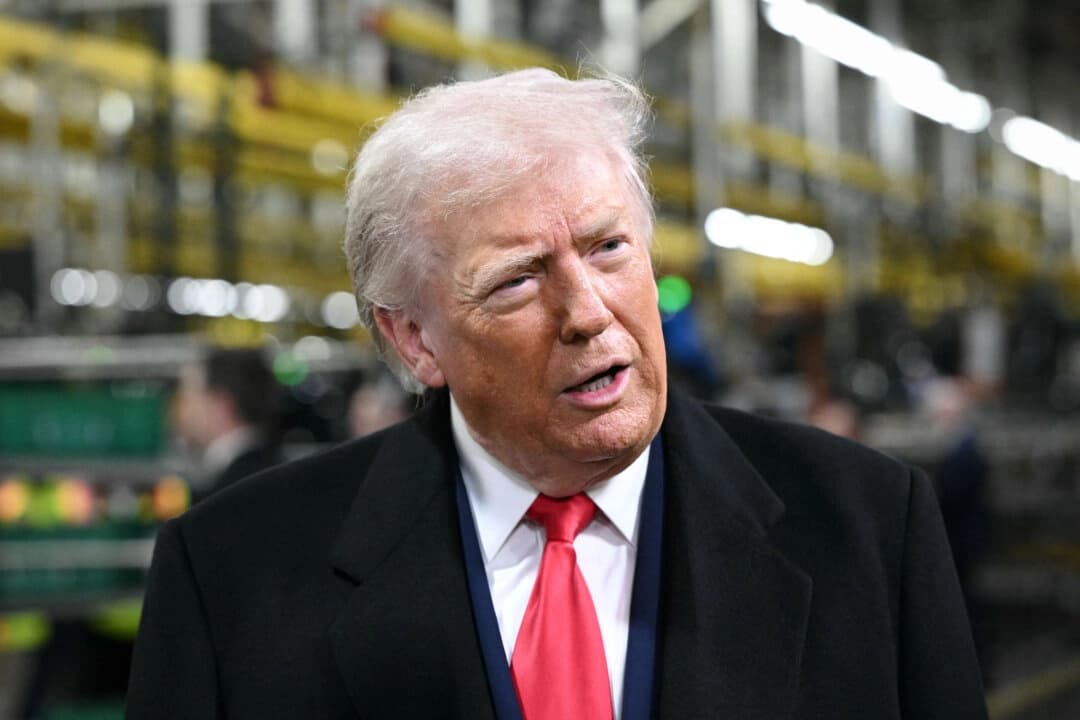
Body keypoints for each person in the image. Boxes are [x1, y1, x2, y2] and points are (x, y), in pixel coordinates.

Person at [127, 69, 987, 719]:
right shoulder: (231, 578)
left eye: (609, 248)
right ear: (415, 340)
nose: (587, 311)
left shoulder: (871, 528)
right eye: (515, 282)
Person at [173, 346, 284, 500]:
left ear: (221, 404)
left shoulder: (228, 492)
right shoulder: (275, 470)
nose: (180, 411)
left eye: (188, 398)